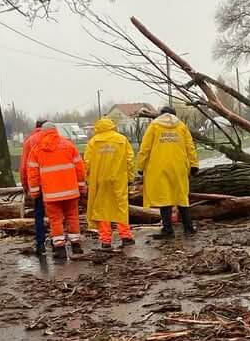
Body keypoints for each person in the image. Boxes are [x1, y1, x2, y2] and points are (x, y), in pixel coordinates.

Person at [137, 105, 199, 239]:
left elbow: (145, 148)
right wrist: (194, 164)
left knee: (164, 198)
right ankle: (188, 228)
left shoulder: (154, 126)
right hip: (179, 166)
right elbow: (190, 146)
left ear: (161, 114)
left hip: (158, 167)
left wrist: (140, 167)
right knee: (182, 196)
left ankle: (168, 229)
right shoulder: (181, 126)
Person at [26, 122, 86, 259]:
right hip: (71, 191)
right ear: (56, 131)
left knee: (55, 220)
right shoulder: (69, 145)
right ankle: (76, 246)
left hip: (51, 194)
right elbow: (80, 169)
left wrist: (35, 192)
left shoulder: (37, 149)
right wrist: (82, 187)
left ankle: (60, 249)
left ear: (42, 132)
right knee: (72, 217)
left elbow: (33, 174)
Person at [84, 117, 136, 252]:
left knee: (102, 209)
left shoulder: (93, 142)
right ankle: (126, 236)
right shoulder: (121, 140)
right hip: (118, 179)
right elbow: (130, 160)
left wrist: (87, 180)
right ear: (112, 126)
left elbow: (87, 163)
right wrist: (130, 177)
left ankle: (105, 240)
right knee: (121, 207)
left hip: (99, 180)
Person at [19, 119, 47, 256]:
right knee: (57, 215)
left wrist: (25, 186)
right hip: (56, 184)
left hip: (37, 185)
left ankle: (40, 243)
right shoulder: (59, 139)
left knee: (39, 214)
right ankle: (58, 243)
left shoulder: (30, 141)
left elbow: (24, 166)